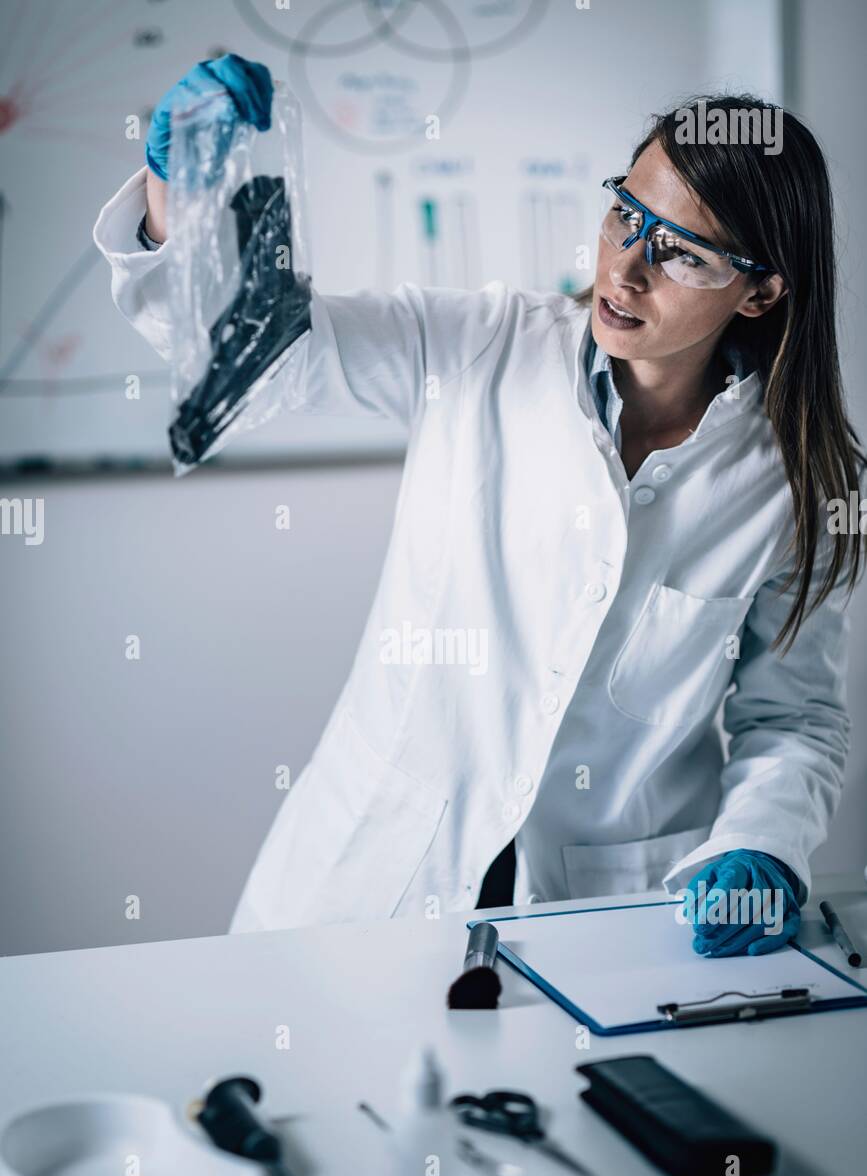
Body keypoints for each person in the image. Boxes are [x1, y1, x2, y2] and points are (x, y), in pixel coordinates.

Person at [93, 56, 865, 956]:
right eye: (626, 215)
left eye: (680, 253)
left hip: (607, 907)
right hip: (369, 879)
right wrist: (172, 194)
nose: (626, 270)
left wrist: (760, 846)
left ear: (761, 291)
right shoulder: (477, 347)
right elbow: (264, 362)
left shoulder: (801, 482)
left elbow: (793, 717)